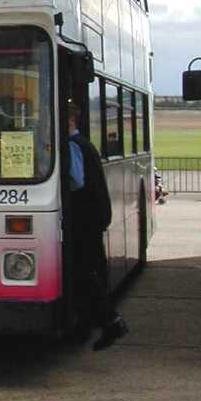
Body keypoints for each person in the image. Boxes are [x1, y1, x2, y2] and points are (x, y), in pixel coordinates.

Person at [68, 103, 128, 351]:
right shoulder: (85, 144)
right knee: (89, 273)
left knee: (84, 274)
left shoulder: (73, 145)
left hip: (82, 221)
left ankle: (111, 322)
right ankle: (88, 325)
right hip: (92, 219)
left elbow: (75, 181)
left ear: (69, 120)